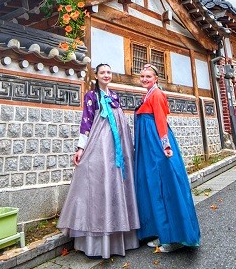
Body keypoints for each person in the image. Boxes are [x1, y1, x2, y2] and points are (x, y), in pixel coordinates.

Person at [57, 63, 139, 258]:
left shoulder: (115, 97)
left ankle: (119, 235)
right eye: (103, 72)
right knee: (97, 184)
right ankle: (96, 239)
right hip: (99, 148)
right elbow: (85, 122)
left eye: (109, 72)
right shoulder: (91, 97)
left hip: (117, 150)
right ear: (96, 75)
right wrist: (80, 148)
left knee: (117, 185)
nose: (106, 75)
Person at [134, 63, 200, 253]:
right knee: (152, 186)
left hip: (157, 145)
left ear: (156, 79)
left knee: (165, 186)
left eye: (148, 76)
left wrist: (166, 146)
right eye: (142, 76)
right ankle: (162, 233)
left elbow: (161, 121)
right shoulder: (148, 94)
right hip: (148, 146)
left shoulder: (157, 94)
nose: (145, 79)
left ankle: (175, 237)